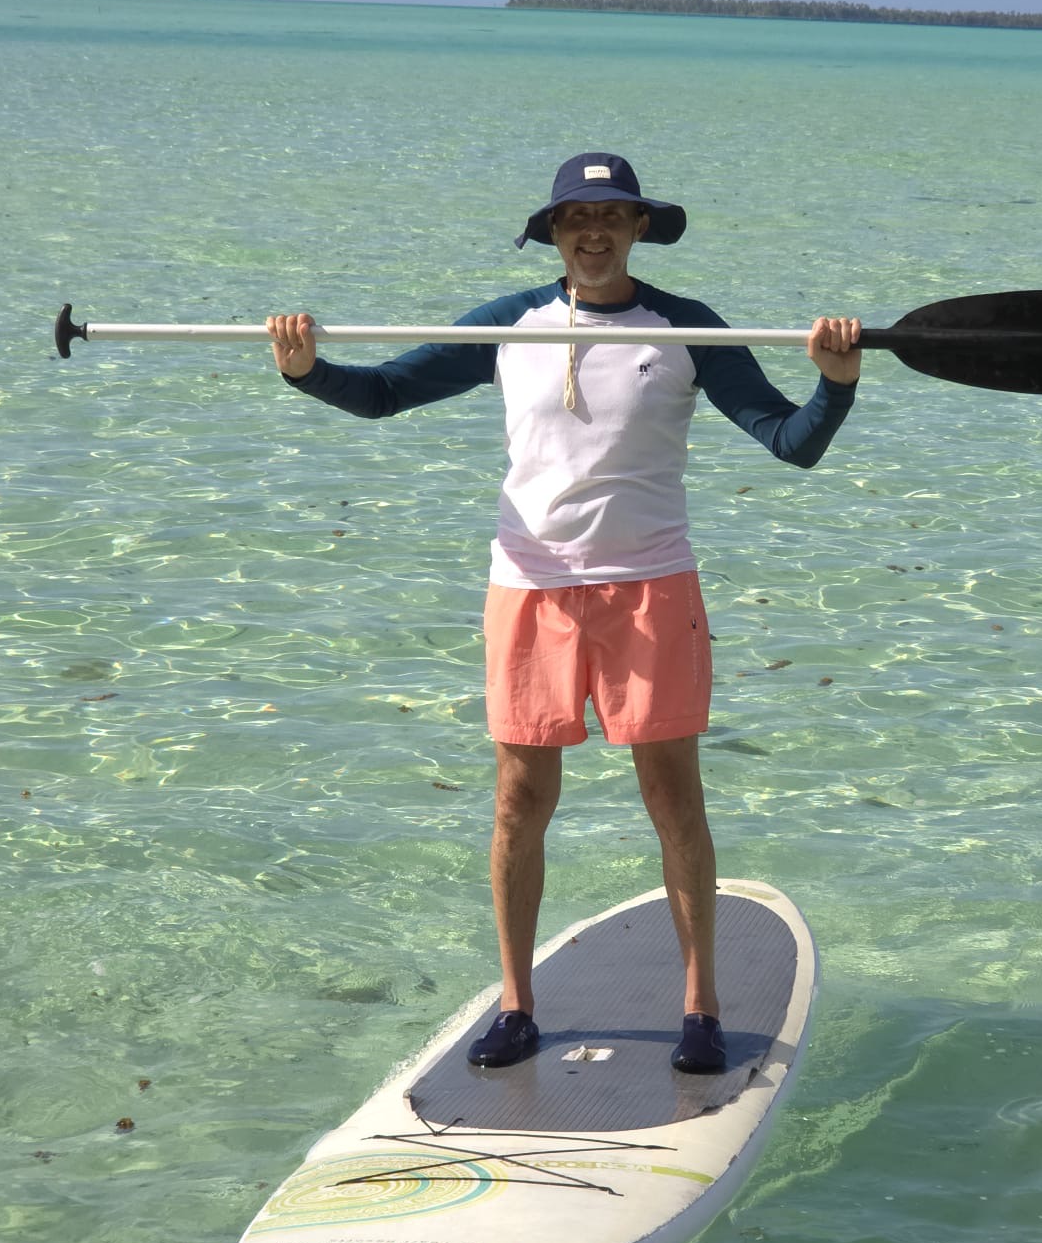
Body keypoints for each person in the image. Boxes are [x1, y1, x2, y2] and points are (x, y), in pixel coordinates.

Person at [267, 153, 860, 1075]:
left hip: (651, 586)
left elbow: (791, 442)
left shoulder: (689, 328)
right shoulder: (509, 324)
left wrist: (836, 383)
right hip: (529, 587)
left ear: (638, 228)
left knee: (673, 799)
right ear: (551, 231)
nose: (593, 231)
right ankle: (515, 1006)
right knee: (519, 801)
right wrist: (307, 371)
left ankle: (701, 1009)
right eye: (576, 216)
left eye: (612, 216)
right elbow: (382, 393)